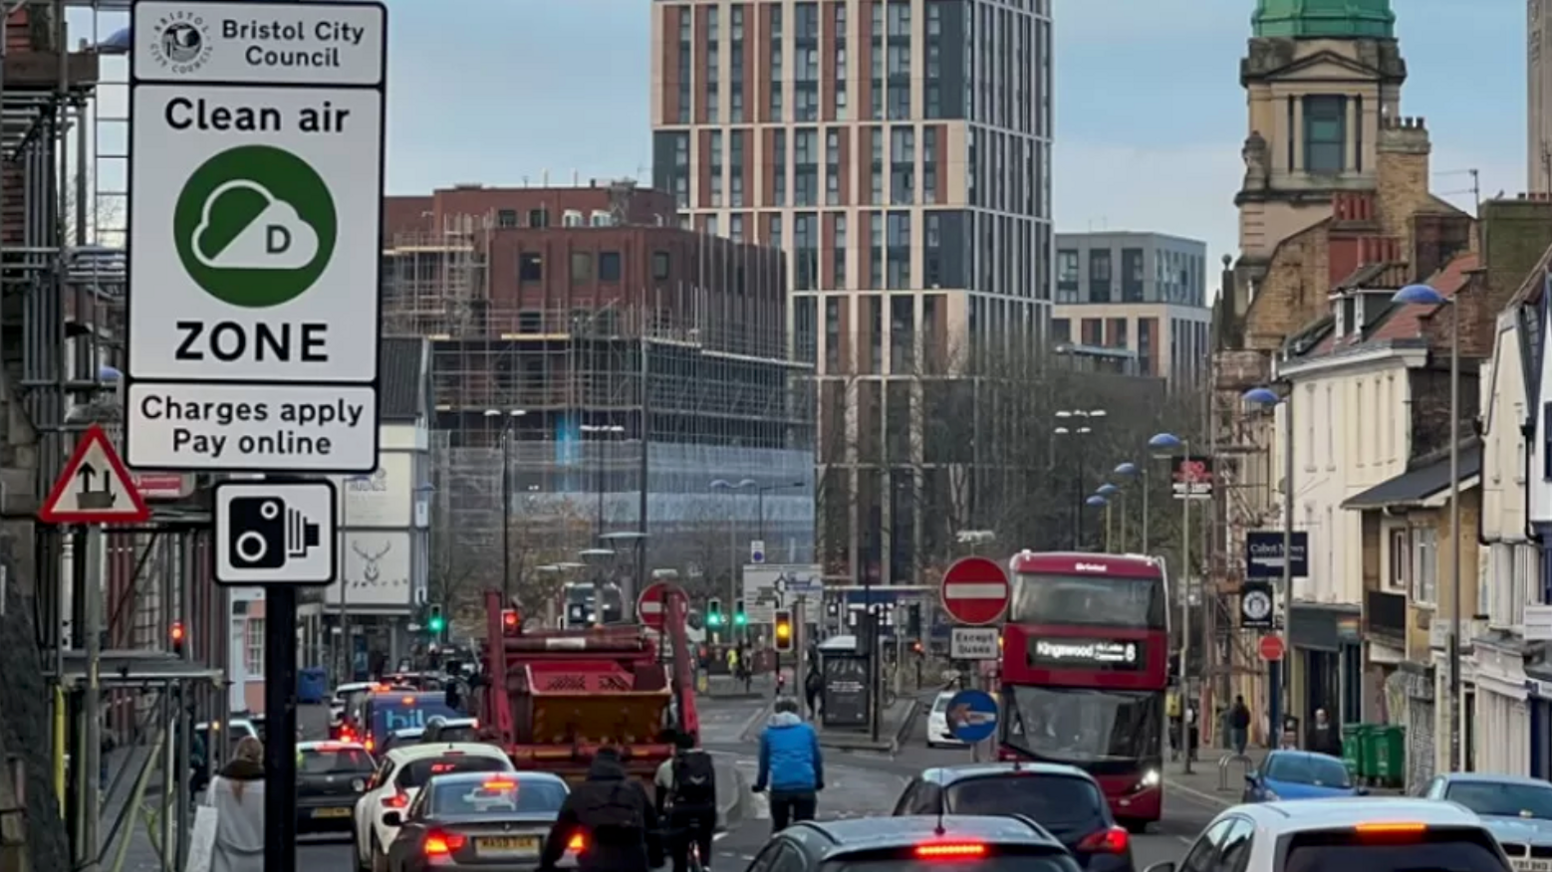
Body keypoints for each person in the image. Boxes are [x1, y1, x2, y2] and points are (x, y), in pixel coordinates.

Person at [540, 747, 662, 872]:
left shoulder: (581, 792)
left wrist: (547, 862)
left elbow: (560, 833)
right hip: (633, 861)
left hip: (595, 861)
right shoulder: (635, 790)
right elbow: (652, 826)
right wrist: (657, 858)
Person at [751, 697, 823, 832]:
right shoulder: (807, 730)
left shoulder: (768, 733)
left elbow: (764, 763)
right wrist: (818, 781)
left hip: (780, 787)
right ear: (796, 712)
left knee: (779, 827)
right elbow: (817, 759)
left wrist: (760, 784)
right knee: (806, 829)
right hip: (805, 785)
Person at [655, 731, 717, 872]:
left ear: (674, 747)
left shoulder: (666, 766)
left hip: (681, 811)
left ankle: (680, 866)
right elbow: (712, 791)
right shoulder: (705, 762)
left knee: (679, 850)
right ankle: (706, 865)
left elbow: (660, 797)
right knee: (705, 837)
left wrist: (661, 816)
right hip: (705, 810)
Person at [205, 736, 265, 872]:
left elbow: (208, 822)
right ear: (260, 757)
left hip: (224, 860)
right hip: (261, 860)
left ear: (236, 754)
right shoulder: (267, 786)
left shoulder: (217, 784)